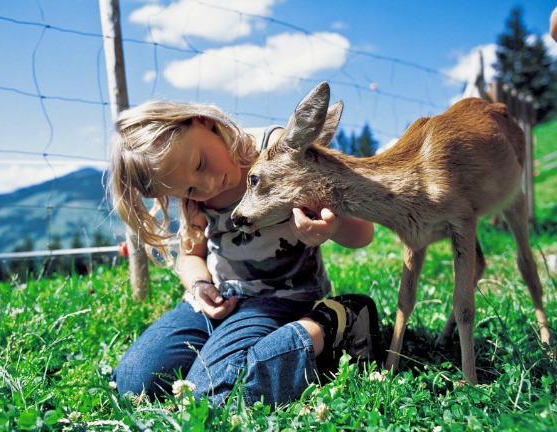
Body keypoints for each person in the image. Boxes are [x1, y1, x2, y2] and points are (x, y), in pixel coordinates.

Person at [109, 98, 380, 406]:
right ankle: (244, 350)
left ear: (204, 122)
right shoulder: (192, 193)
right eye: (188, 191)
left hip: (280, 300)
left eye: (200, 164)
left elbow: (363, 233)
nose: (207, 185)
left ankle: (334, 321)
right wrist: (200, 287)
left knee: (215, 394)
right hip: (221, 300)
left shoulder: (279, 151)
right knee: (134, 382)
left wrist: (329, 229)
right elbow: (190, 255)